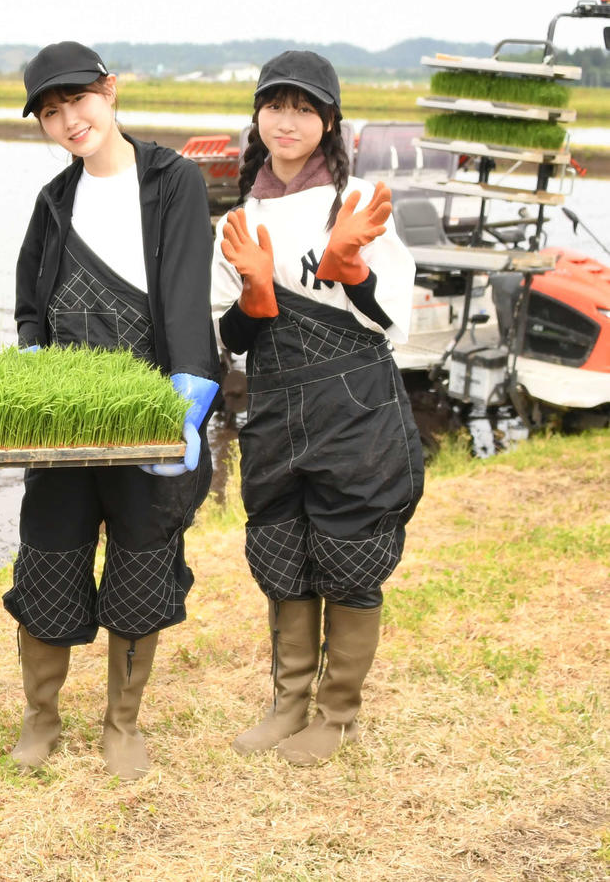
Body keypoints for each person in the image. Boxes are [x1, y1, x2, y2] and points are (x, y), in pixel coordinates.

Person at [5, 42, 220, 781]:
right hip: (64, 423)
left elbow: (189, 291)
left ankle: (122, 721)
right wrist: (32, 353)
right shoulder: (53, 201)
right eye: (52, 112)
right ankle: (41, 716)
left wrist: (189, 396)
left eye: (79, 102)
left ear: (111, 92)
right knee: (50, 555)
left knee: (141, 560)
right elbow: (30, 305)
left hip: (146, 417)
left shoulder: (173, 181)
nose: (69, 121)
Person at [211, 50, 424, 766]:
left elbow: (396, 318)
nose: (288, 120)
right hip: (274, 400)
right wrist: (254, 296)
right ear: (258, 117)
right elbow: (230, 336)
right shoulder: (242, 214)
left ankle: (336, 714)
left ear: (329, 120)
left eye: (304, 108)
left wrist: (354, 268)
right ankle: (288, 703)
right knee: (281, 549)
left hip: (355, 402)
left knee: (351, 552)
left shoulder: (359, 201)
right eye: (276, 105)